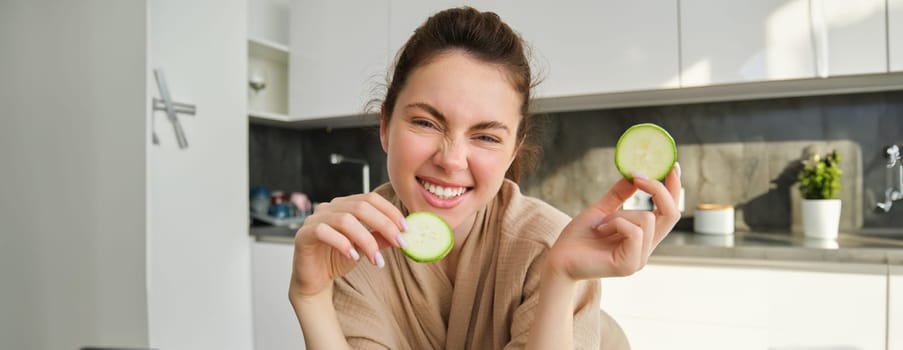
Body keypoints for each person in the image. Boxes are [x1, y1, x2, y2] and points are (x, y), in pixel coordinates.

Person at [289, 6, 682, 350]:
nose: (452, 159)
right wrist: (311, 297)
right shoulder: (351, 247)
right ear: (385, 125)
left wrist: (560, 277)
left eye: (486, 136)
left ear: (514, 149)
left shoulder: (548, 244)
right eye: (426, 122)